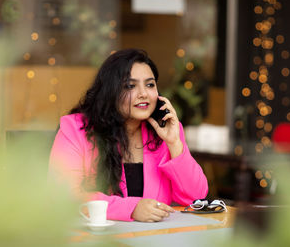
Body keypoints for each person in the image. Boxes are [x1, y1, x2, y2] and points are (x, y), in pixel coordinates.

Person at [48, 49, 208, 222]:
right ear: (110, 91)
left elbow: (195, 197)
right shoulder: (75, 129)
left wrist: (175, 143)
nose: (144, 94)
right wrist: (131, 209)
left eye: (150, 84)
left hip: (154, 239)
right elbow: (64, 196)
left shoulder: (165, 132)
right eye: (130, 86)